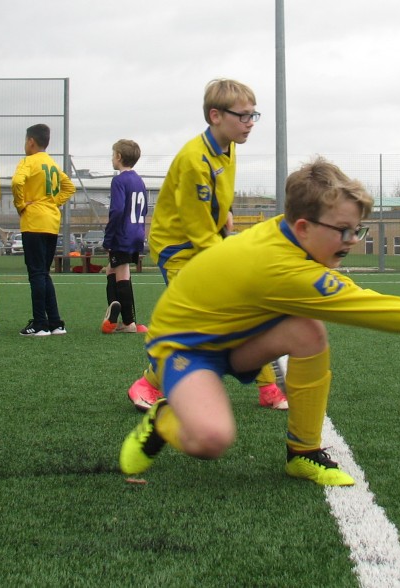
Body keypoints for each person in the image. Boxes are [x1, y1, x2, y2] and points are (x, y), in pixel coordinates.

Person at [119, 158, 400, 486]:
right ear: (305, 226)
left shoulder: (292, 232)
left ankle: (303, 452)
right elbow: (371, 308)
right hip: (185, 343)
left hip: (237, 333)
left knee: (307, 331)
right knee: (211, 439)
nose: (352, 240)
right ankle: (165, 419)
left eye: (356, 229)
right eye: (343, 230)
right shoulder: (283, 268)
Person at [128, 79, 288, 413]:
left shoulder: (228, 146)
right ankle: (147, 384)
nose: (250, 124)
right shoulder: (194, 160)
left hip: (205, 240)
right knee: (200, 322)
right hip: (179, 248)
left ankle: (269, 388)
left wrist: (226, 213)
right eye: (243, 116)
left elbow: (215, 201)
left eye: (253, 115)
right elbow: (197, 229)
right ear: (215, 115)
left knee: (243, 310)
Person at [11, 123, 75, 336]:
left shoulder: (29, 161)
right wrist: (53, 202)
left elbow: (17, 181)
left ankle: (39, 323)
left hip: (34, 222)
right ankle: (55, 322)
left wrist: (21, 204)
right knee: (44, 273)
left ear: (30, 141)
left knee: (36, 273)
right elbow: (69, 187)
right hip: (51, 222)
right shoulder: (52, 164)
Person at [100, 139, 148, 335]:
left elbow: (117, 209)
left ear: (119, 157)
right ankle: (119, 315)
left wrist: (109, 237)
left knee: (121, 273)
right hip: (137, 233)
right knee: (112, 271)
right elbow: (144, 208)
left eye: (113, 154)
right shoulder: (139, 180)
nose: (112, 158)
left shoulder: (119, 180)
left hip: (122, 234)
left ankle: (127, 321)